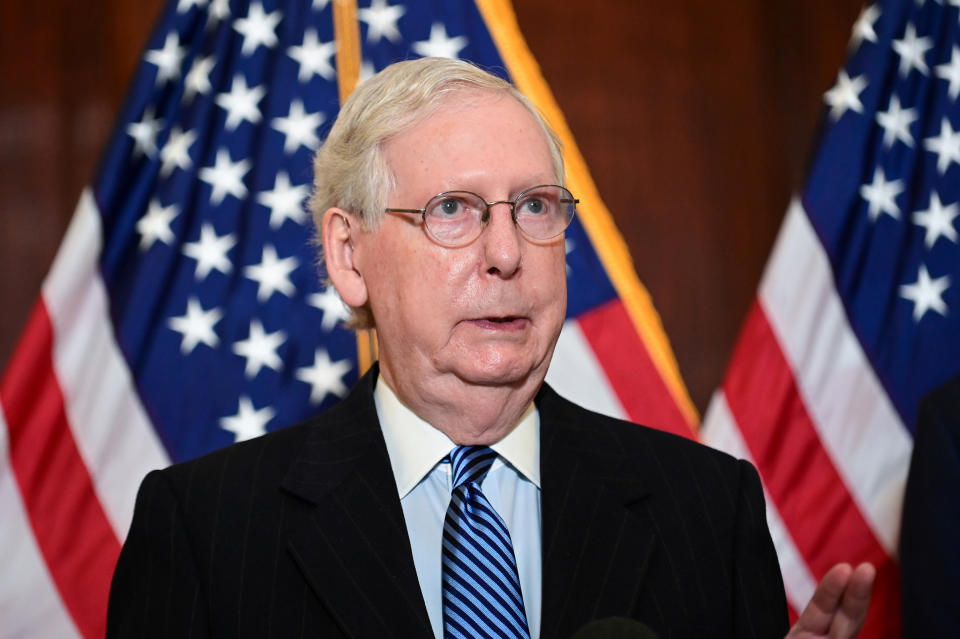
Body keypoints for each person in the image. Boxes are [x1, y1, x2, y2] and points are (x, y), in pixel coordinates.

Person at [107, 57, 874, 638]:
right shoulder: (205, 533)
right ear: (349, 254)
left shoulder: (706, 509)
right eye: (454, 209)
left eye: (536, 206)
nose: (507, 252)